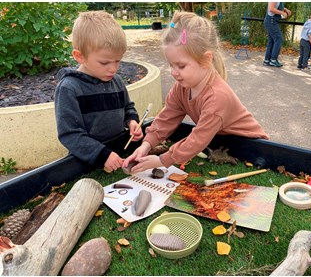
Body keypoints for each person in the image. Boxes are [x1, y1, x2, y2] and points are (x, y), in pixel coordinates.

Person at [123, 10, 269, 174]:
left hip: (253, 149)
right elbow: (166, 118)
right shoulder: (182, 87)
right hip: (219, 142)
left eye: (181, 66)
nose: (173, 72)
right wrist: (146, 145)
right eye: (171, 65)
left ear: (206, 60)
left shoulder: (217, 97)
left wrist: (161, 160)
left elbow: (197, 139)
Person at [54, 10, 143, 172]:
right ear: (79, 56)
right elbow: (70, 134)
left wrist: (132, 121)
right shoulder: (69, 88)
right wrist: (102, 155)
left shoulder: (116, 81)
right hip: (86, 163)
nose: (113, 68)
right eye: (104, 62)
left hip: (119, 151)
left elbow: (127, 107)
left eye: (118, 61)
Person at [263, 2, 292, 67]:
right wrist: (282, 13)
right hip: (271, 21)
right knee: (279, 39)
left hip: (271, 21)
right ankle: (273, 60)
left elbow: (275, 6)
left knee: (272, 41)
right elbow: (271, 9)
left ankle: (267, 60)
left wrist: (285, 9)